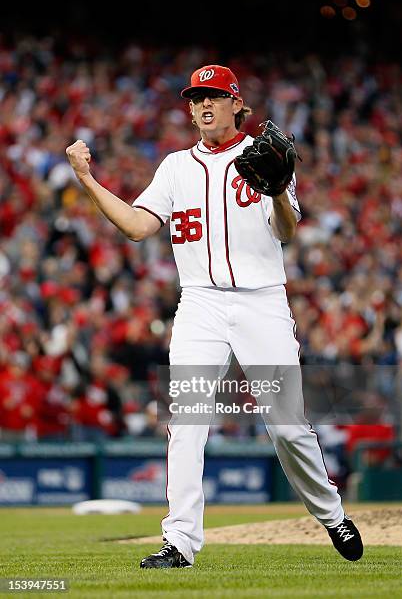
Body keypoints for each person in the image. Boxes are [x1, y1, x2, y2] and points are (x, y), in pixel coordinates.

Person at [66, 64, 363, 568]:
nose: (203, 105)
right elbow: (138, 227)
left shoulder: (264, 156)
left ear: (234, 104)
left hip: (261, 301)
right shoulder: (176, 166)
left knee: (287, 426)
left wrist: (277, 190)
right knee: (186, 420)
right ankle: (179, 541)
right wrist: (87, 180)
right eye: (195, 98)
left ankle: (331, 514)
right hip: (199, 302)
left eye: (214, 96)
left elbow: (287, 230)